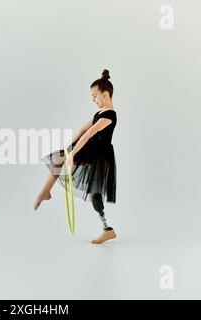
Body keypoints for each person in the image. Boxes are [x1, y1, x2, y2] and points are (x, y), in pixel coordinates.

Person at [34, 69, 118, 245]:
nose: (93, 100)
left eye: (94, 96)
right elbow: (81, 131)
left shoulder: (110, 115)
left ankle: (107, 230)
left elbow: (89, 134)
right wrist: (68, 148)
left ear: (105, 95)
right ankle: (45, 191)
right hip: (89, 150)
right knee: (58, 159)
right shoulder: (98, 114)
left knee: (95, 195)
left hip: (100, 156)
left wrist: (72, 153)